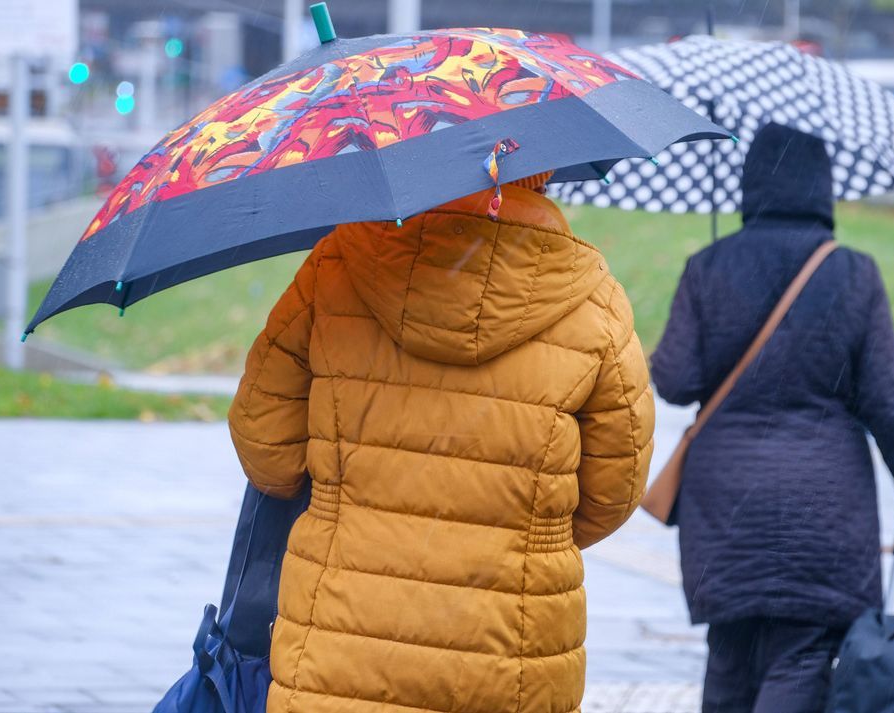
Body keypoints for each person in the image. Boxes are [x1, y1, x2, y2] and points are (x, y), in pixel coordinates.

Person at [228, 171, 653, 713]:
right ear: (542, 176)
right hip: (511, 651)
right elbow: (613, 491)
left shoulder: (336, 266)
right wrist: (529, 530)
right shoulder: (595, 302)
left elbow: (266, 447)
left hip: (339, 635)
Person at [650, 123, 894, 713]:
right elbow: (890, 398)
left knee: (730, 659)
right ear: (822, 188)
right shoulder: (853, 274)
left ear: (750, 186)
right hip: (823, 505)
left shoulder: (707, 267)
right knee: (805, 656)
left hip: (725, 507)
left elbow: (675, 379)